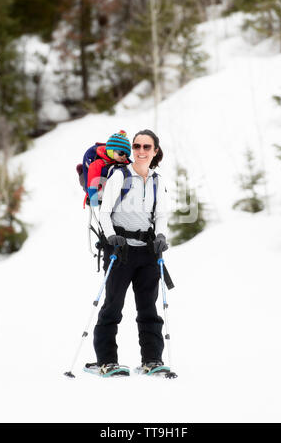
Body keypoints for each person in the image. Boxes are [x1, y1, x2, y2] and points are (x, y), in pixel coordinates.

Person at [92, 129, 169, 376]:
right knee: (113, 305)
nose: (141, 151)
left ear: (155, 151)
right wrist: (111, 236)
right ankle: (106, 361)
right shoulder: (120, 175)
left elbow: (161, 215)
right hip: (120, 249)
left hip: (148, 251)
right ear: (132, 150)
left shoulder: (158, 180)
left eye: (147, 147)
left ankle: (152, 359)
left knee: (148, 307)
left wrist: (160, 236)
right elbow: (104, 212)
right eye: (137, 146)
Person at [87, 130, 131, 206]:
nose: (124, 156)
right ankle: (81, 173)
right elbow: (93, 181)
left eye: (126, 155)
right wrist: (93, 198)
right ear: (110, 151)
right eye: (121, 153)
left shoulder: (124, 162)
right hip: (101, 192)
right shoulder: (99, 163)